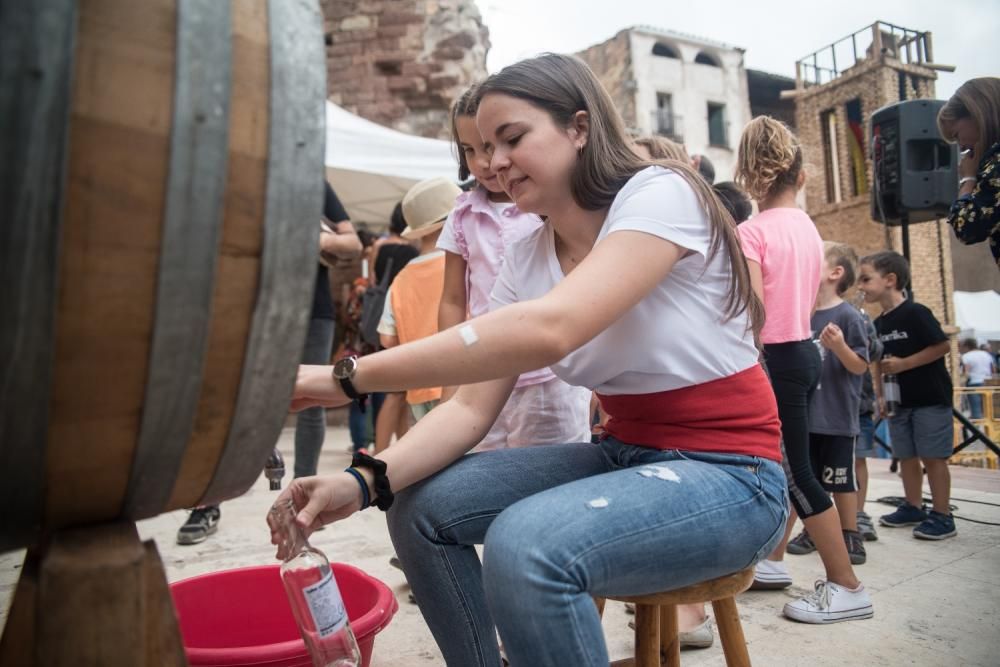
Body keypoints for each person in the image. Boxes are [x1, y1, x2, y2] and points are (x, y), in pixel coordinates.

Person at [275, 53, 788, 666]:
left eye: (512, 139)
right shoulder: (526, 257)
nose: (492, 163)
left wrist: (348, 377)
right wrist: (362, 481)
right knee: (416, 507)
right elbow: (469, 408)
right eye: (481, 148)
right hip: (625, 455)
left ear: (578, 127)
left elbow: (552, 328)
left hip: (733, 474)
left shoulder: (661, 193)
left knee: (527, 545)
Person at [735, 116, 872, 623]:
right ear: (803, 176)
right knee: (789, 464)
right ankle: (772, 561)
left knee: (796, 472)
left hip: (773, 357)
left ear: (749, 174)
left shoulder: (750, 232)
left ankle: (847, 584)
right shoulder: (810, 231)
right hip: (804, 352)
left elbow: (750, 310)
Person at [177, 182, 361, 545]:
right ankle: (207, 503)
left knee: (313, 403)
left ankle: (302, 496)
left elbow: (352, 243)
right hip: (249, 305)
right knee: (232, 401)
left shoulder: (308, 181)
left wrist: (312, 240)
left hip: (312, 308)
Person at [437, 83, 591, 449]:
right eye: (470, 150)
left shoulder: (547, 208)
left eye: (490, 146)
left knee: (552, 467)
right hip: (482, 370)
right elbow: (453, 299)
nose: (484, 162)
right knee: (481, 465)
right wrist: (450, 377)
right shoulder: (461, 216)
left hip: (548, 375)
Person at [857, 251, 956, 540]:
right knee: (906, 455)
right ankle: (913, 505)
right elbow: (877, 360)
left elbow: (941, 346)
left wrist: (904, 364)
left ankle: (942, 514)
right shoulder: (879, 323)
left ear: (890, 280)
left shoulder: (916, 313)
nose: (860, 286)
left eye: (866, 279)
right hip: (898, 401)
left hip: (929, 398)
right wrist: (879, 394)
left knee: (933, 456)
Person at [785, 242, 870, 565]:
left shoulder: (848, 316)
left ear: (836, 273)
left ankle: (850, 533)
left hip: (835, 415)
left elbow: (860, 366)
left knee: (840, 478)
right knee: (806, 477)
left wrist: (839, 347)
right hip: (804, 415)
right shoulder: (802, 313)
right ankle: (815, 530)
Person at [378, 177, 458, 420]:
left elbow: (387, 338)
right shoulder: (459, 266)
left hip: (419, 385)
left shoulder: (401, 279)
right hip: (461, 379)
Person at [936, 77, 1000, 269]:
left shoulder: (996, 164)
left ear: (976, 113)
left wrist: (968, 179)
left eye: (956, 135)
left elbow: (967, 228)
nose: (962, 146)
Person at [854, 300, 885, 542]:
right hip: (823, 406)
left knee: (858, 460)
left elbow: (875, 352)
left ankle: (858, 514)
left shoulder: (860, 316)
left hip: (858, 403)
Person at [960, 338, 995, 420]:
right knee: (988, 410)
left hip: (973, 384)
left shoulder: (966, 356)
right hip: (987, 383)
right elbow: (993, 369)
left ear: (966, 346)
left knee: (976, 411)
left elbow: (966, 372)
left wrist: (961, 382)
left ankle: (977, 430)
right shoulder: (986, 354)